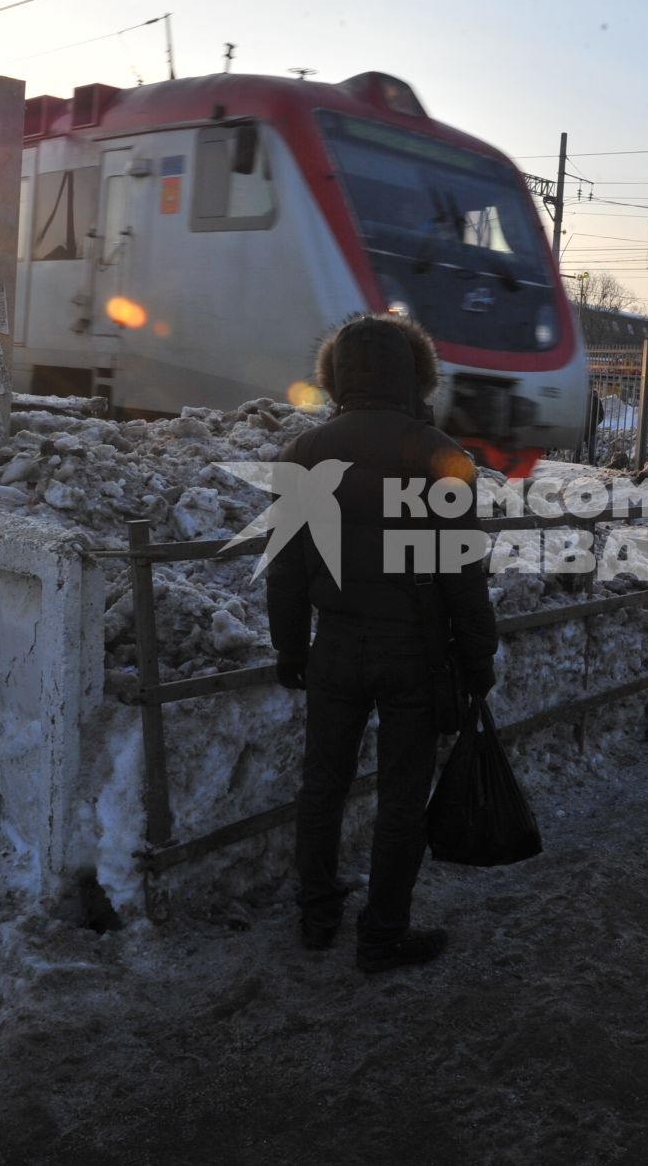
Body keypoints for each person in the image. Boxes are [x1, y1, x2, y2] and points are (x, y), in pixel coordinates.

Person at [268, 315, 499, 974]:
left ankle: (316, 917)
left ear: (335, 375)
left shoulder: (303, 455)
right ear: (414, 373)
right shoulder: (440, 454)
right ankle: (383, 934)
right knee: (402, 793)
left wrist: (291, 649)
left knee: (322, 786)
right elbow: (463, 571)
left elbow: (285, 570)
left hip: (334, 644)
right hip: (414, 652)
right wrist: (478, 656)